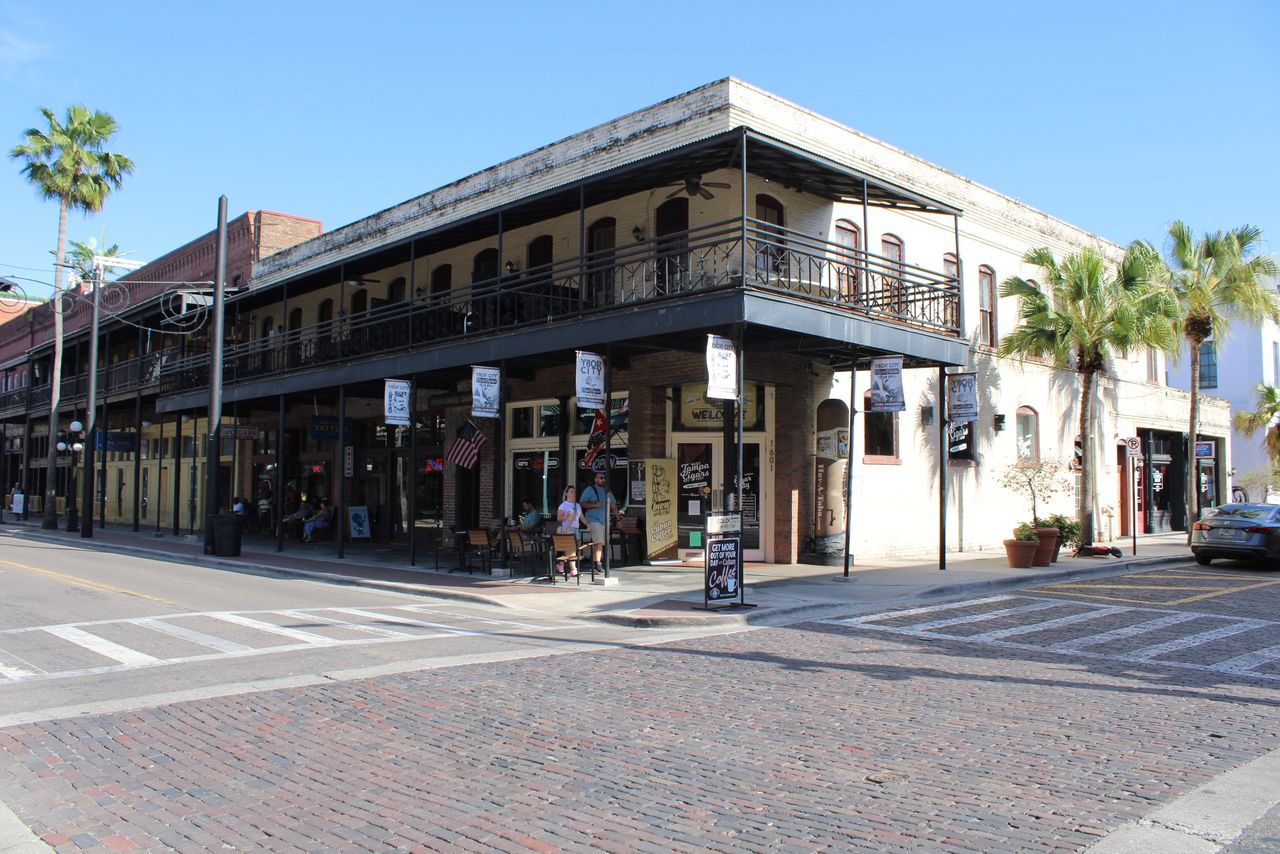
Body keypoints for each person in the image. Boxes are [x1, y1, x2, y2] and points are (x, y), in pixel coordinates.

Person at [579, 470, 622, 573]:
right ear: (595, 479)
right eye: (601, 478)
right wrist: (594, 505)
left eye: (604, 478)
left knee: (599, 543)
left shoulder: (608, 491)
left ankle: (595, 563)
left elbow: (614, 507)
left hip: (604, 521)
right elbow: (581, 503)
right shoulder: (590, 489)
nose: (603, 480)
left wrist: (618, 519)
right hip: (593, 519)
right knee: (598, 542)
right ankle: (598, 564)